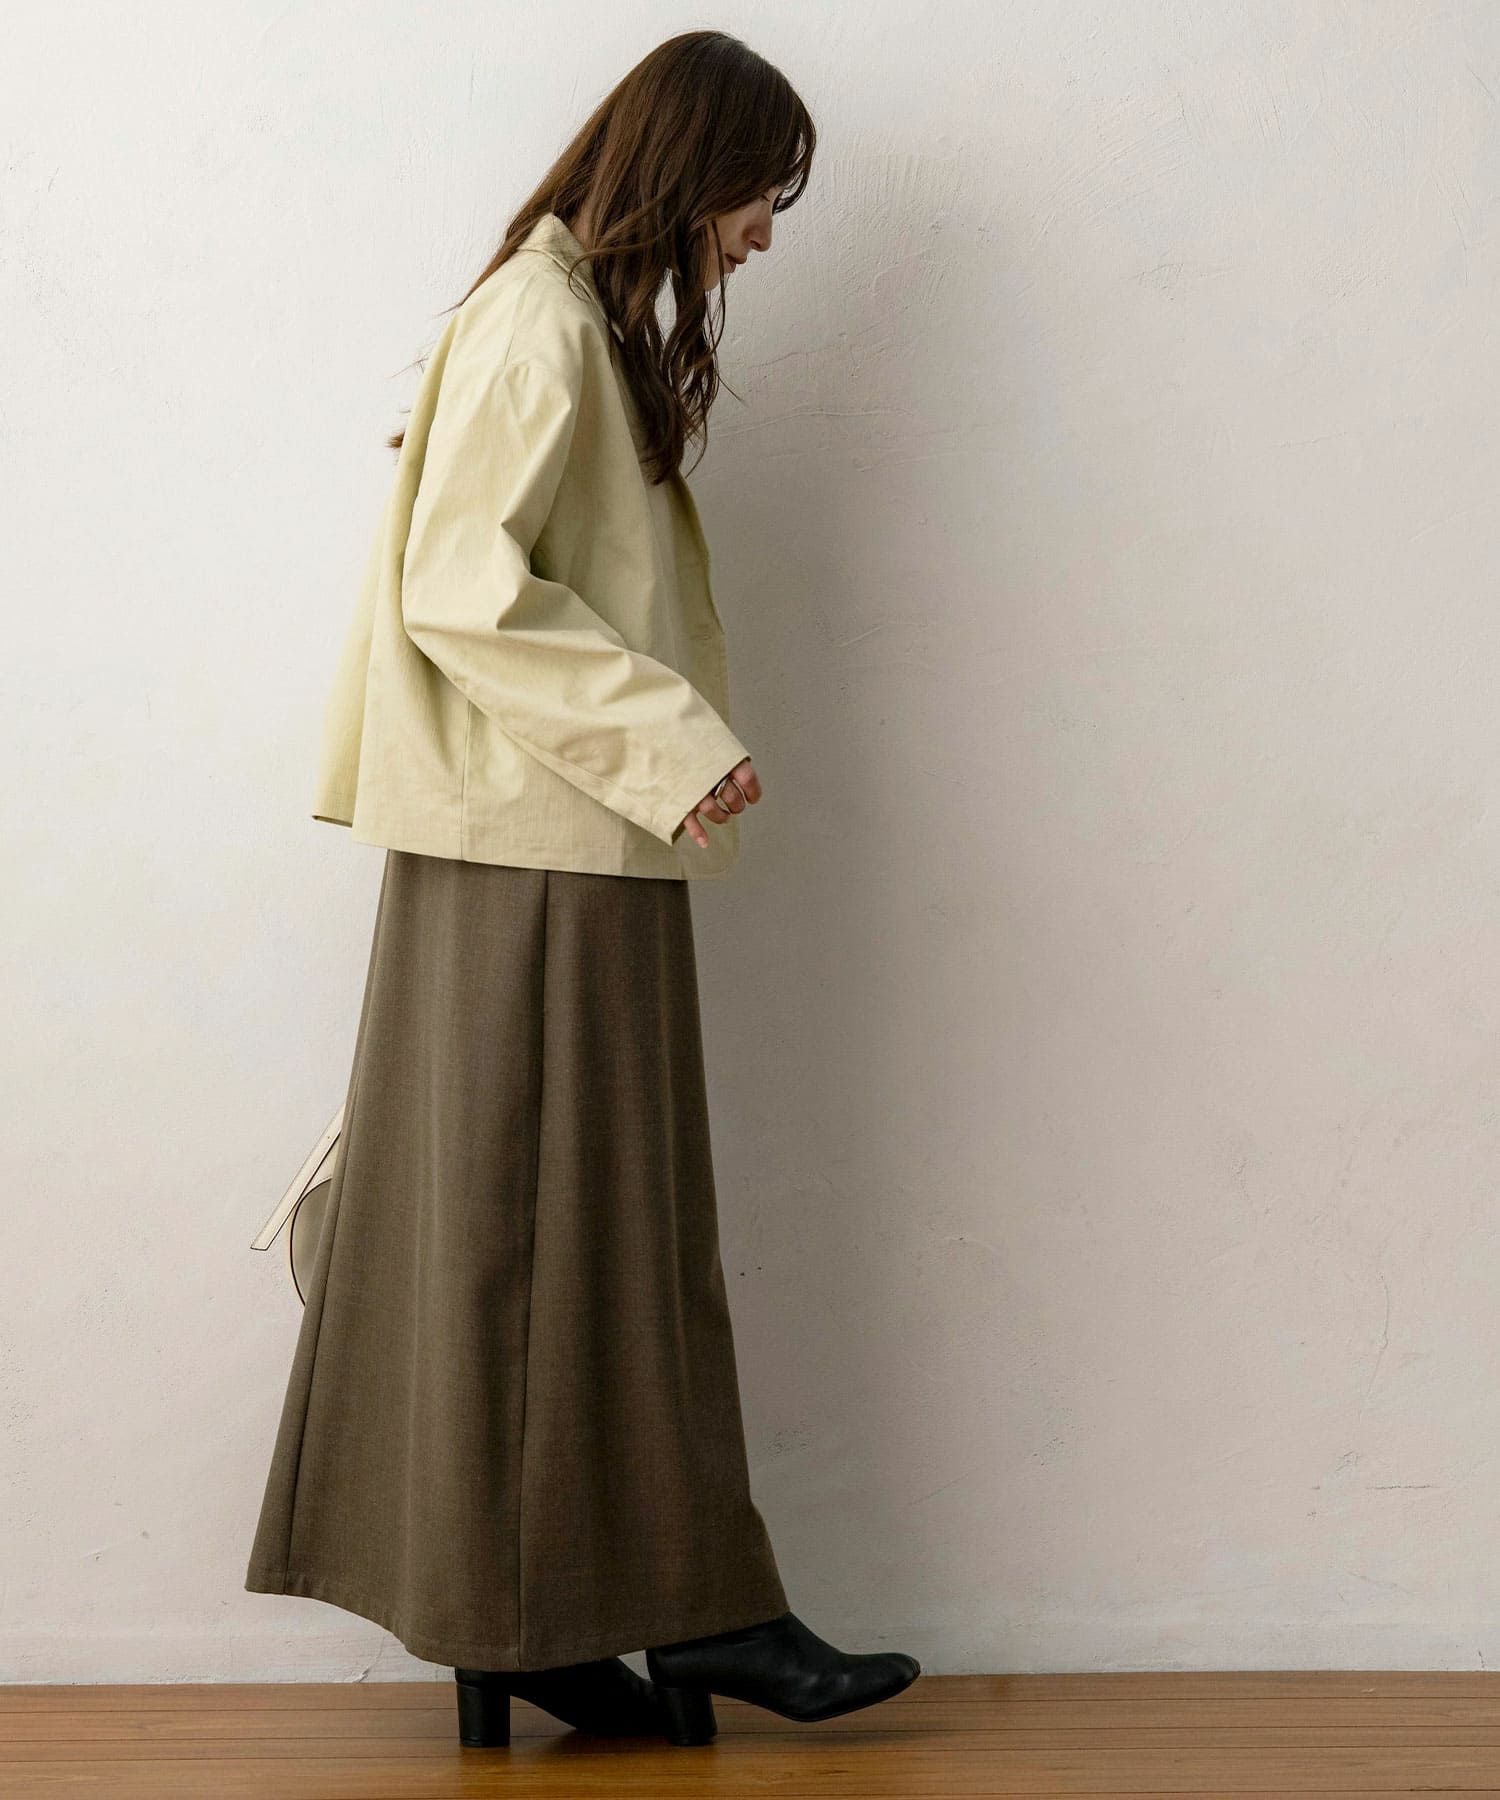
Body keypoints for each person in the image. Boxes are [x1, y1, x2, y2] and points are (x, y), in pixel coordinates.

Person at [243, 28, 920, 1752]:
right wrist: (667, 738)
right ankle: (682, 1610)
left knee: (543, 1240)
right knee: (569, 1238)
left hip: (555, 837)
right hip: (542, 841)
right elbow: (459, 586)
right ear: (694, 166)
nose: (764, 233)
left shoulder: (560, 318)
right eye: (762, 194)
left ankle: (555, 1618)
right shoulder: (539, 324)